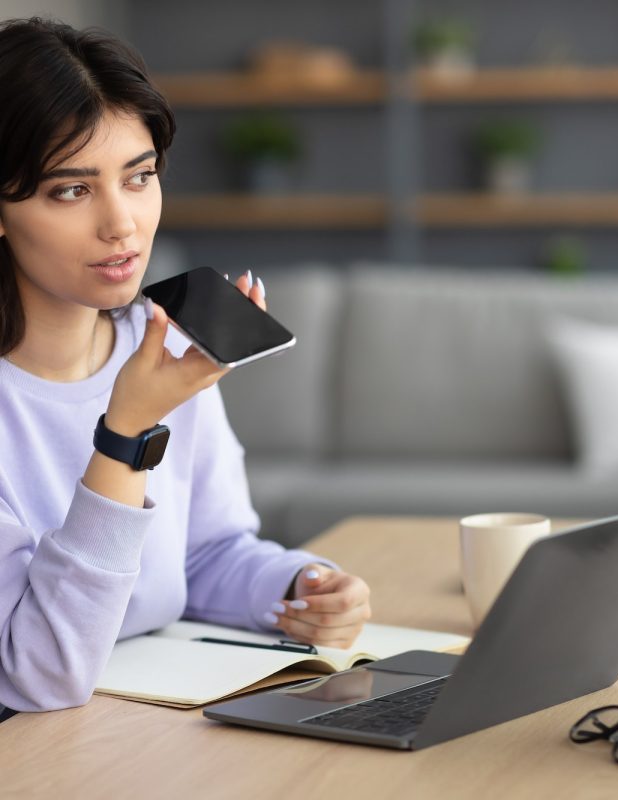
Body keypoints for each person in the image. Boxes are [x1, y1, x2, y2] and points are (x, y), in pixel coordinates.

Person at [0, 17, 371, 712]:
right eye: (72, 190)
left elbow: (205, 554)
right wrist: (125, 434)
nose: (123, 224)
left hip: (152, 718)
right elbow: (34, 672)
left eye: (138, 178)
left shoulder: (163, 342)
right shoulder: (141, 383)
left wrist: (299, 585)